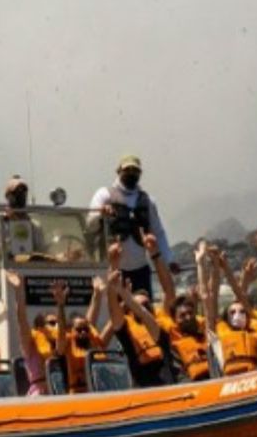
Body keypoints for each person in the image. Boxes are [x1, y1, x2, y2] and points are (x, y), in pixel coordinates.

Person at [199, 236, 257, 376]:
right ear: (226, 318)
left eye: (242, 312)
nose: (238, 315)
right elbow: (208, 297)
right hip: (232, 382)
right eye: (232, 312)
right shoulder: (219, 332)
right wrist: (206, 264)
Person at [89, 155, 171, 296]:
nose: (131, 173)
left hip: (140, 270)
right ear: (119, 171)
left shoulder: (148, 200)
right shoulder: (104, 195)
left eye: (135, 170)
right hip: (113, 268)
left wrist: (169, 260)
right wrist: (101, 214)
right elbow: (90, 224)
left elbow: (158, 232)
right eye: (127, 170)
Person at [104, 242, 174, 387]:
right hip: (143, 387)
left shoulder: (160, 324)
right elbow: (113, 310)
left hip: (169, 385)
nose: (142, 308)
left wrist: (155, 255)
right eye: (136, 305)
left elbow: (169, 291)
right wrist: (113, 266)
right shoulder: (126, 328)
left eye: (146, 305)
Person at [52, 276, 116, 395]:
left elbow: (92, 321)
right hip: (77, 396)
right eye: (79, 330)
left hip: (100, 393)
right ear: (71, 331)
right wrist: (60, 305)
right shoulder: (66, 346)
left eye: (85, 330)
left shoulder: (95, 343)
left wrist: (97, 293)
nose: (83, 332)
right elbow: (61, 332)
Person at [4, 271, 48, 396]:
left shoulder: (59, 345)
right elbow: (22, 320)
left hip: (60, 392)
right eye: (48, 324)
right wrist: (19, 291)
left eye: (55, 323)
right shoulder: (30, 347)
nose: (52, 327)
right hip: (39, 394)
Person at [0, 175, 44, 264]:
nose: (21, 196)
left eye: (23, 192)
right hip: (7, 268)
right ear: (8, 196)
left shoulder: (34, 226)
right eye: (16, 193)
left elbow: (41, 254)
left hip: (31, 269)